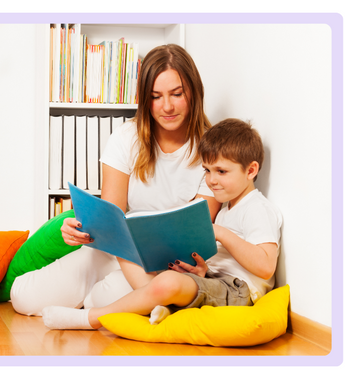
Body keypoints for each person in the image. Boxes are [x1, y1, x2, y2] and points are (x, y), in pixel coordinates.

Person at [10, 44, 221, 316]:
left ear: (194, 92)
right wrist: (79, 228)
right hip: (118, 253)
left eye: (177, 94)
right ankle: (103, 301)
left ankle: (96, 305)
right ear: (145, 99)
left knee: (102, 300)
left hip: (167, 266)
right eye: (156, 96)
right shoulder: (126, 137)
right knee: (23, 297)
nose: (166, 106)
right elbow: (112, 215)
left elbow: (197, 229)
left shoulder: (213, 149)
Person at [41, 118, 283, 330]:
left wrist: (219, 233)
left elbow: (265, 266)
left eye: (221, 171)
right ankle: (163, 306)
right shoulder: (228, 206)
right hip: (214, 282)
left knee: (166, 282)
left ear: (251, 170)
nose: (211, 180)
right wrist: (203, 271)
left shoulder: (257, 208)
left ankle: (91, 319)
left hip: (237, 291)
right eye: (207, 171)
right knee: (134, 255)